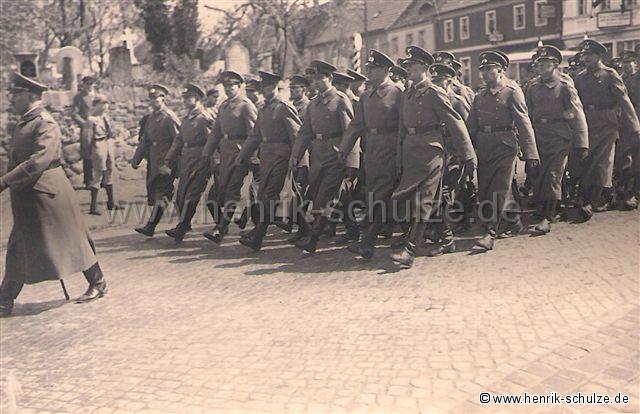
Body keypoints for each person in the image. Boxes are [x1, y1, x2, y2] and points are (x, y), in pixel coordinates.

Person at [0, 73, 107, 316]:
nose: (11, 99)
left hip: (48, 194)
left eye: (15, 94)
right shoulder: (26, 121)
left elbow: (39, 160)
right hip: (30, 194)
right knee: (21, 243)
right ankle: (4, 298)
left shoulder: (45, 123)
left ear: (29, 95)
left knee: (71, 239)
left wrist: (5, 181)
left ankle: (98, 282)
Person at [389, 46, 476, 268]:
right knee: (426, 200)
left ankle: (410, 250)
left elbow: (455, 122)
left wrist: (468, 155)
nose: (408, 69)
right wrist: (399, 157)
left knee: (424, 200)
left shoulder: (435, 92)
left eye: (412, 65)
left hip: (431, 152)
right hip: (411, 152)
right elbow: (401, 129)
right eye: (407, 65)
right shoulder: (407, 94)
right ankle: (447, 240)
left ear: (424, 67)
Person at [467, 51, 539, 251]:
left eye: (489, 69)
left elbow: (524, 123)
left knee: (499, 188)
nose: (485, 73)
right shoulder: (480, 95)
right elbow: (471, 125)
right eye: (483, 70)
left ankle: (490, 232)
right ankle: (514, 221)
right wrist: (462, 149)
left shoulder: (512, 91)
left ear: (500, 70)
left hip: (505, 146)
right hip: (484, 146)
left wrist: (531, 153)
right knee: (485, 188)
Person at [290, 60, 359, 254]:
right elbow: (304, 132)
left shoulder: (340, 100)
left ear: (330, 78)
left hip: (337, 154)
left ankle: (313, 239)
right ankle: (353, 229)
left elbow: (350, 132)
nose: (317, 82)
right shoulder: (314, 104)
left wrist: (352, 162)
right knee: (335, 194)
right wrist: (296, 155)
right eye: (315, 78)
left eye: (321, 78)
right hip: (318, 155)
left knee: (325, 197)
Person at [338, 49, 401, 260]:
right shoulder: (366, 96)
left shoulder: (398, 93)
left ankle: (368, 242)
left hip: (391, 150)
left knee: (381, 196)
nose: (369, 73)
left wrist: (401, 153)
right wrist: (345, 148)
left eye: (373, 69)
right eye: (369, 68)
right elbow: (356, 125)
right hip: (372, 150)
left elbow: (404, 126)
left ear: (386, 70)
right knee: (373, 195)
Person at [235, 71, 302, 251]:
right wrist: (242, 155)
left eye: (266, 87)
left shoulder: (283, 107)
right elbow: (255, 135)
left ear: (274, 87)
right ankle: (306, 228)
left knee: (270, 195)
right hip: (266, 157)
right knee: (265, 194)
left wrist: (297, 159)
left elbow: (297, 135)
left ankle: (258, 235)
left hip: (281, 156)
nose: (264, 90)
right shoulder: (264, 109)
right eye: (262, 87)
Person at [525, 45, 589, 234]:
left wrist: (582, 142)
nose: (542, 68)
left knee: (553, 175)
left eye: (546, 64)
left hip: (559, 137)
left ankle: (548, 216)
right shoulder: (532, 87)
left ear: (555, 65)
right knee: (539, 173)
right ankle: (550, 206)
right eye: (540, 64)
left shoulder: (565, 86)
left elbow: (578, 115)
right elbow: (527, 114)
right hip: (539, 136)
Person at [574, 39, 640, 220]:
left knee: (602, 162)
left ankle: (592, 201)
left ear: (599, 56)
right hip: (587, 123)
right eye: (584, 55)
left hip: (607, 123)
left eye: (589, 55)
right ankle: (599, 195)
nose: (585, 58)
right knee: (588, 160)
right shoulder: (580, 77)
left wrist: (634, 125)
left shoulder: (610, 75)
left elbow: (624, 101)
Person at [202, 71, 258, 244]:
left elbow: (254, 134)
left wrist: (251, 157)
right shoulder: (224, 106)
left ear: (239, 87)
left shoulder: (246, 106)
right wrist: (206, 152)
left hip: (240, 154)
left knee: (232, 191)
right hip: (226, 154)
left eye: (231, 86)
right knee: (217, 193)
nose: (228, 89)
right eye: (225, 86)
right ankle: (225, 224)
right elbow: (216, 133)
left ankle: (221, 228)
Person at [424, 61, 472, 256]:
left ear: (450, 81)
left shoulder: (457, 102)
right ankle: (439, 232)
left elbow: (467, 130)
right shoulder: (431, 99)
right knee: (435, 195)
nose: (436, 84)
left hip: (454, 157)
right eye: (434, 81)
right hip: (436, 156)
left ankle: (447, 237)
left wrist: (466, 157)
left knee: (442, 195)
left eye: (440, 81)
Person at [162, 83, 214, 242]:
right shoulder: (186, 119)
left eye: (187, 97)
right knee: (180, 195)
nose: (184, 100)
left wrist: (211, 162)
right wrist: (169, 158)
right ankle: (219, 224)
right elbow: (178, 141)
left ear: (197, 98)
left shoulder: (204, 118)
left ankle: (182, 227)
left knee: (192, 194)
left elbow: (212, 141)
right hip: (186, 160)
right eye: (183, 97)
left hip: (200, 159)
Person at [132, 84, 181, 237]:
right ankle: (185, 222)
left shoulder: (169, 117)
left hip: (167, 161)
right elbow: (145, 141)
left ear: (163, 99)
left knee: (164, 193)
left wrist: (172, 162)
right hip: (154, 161)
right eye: (151, 99)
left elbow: (178, 141)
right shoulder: (150, 118)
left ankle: (151, 226)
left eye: (156, 98)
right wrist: (137, 158)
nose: (153, 102)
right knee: (158, 193)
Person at [86, 94, 121, 215]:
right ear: (96, 105)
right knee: (98, 174)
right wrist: (90, 152)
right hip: (98, 144)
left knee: (109, 171)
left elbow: (112, 132)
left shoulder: (106, 117)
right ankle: (93, 206)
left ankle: (111, 202)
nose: (105, 106)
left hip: (108, 143)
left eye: (106, 103)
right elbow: (88, 138)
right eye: (102, 103)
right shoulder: (91, 119)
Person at [287, 74, 313, 242]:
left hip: (305, 154)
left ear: (303, 89)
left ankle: (305, 228)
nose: (291, 90)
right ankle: (297, 224)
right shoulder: (292, 106)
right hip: (293, 153)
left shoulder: (307, 106)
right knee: (295, 191)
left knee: (300, 192)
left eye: (295, 88)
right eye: (291, 88)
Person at [72, 75, 97, 188]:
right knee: (87, 154)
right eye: (87, 83)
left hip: (99, 128)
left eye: (91, 83)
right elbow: (74, 114)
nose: (89, 86)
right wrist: (84, 124)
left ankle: (99, 178)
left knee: (99, 152)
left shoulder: (97, 96)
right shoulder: (79, 97)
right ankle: (88, 180)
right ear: (83, 84)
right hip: (87, 129)